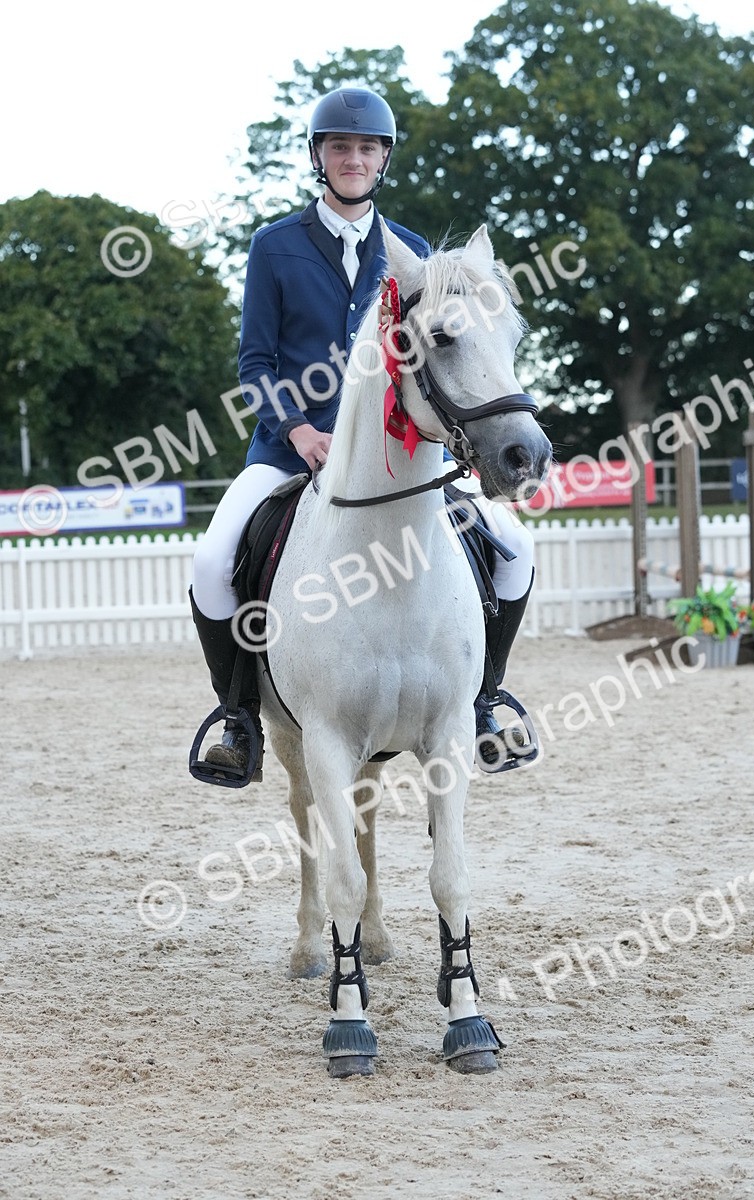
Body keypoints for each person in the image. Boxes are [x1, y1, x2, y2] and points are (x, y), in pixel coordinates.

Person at [189, 85, 536, 785]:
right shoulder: (274, 247)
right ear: (320, 158)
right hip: (287, 452)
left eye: (367, 148)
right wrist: (298, 429)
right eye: (340, 147)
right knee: (210, 563)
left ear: (383, 160)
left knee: (515, 550)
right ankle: (239, 716)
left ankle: (487, 698)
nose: (354, 158)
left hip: (397, 458)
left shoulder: (411, 253)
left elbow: (443, 356)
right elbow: (255, 364)